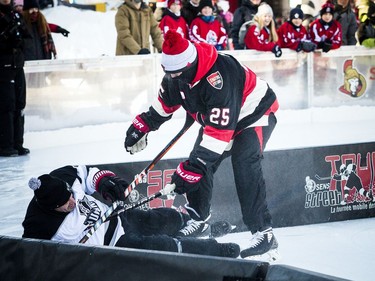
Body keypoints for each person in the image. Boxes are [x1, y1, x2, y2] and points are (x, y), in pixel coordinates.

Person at [124, 29, 280, 260]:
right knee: (199, 162)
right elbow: (165, 104)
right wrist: (143, 125)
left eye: (177, 74)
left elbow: (219, 133)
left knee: (242, 163)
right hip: (220, 120)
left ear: (189, 65)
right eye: (169, 73)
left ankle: (263, 232)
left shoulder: (219, 76)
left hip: (254, 113)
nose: (173, 78)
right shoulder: (175, 75)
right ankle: (199, 218)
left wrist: (195, 166)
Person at [22, 165, 240, 258]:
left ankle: (201, 227)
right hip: (113, 246)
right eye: (66, 204)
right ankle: (216, 251)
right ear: (52, 208)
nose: (72, 202)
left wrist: (106, 182)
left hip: (117, 217)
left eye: (71, 195)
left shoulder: (63, 177)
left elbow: (89, 174)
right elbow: (35, 261)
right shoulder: (39, 226)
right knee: (163, 246)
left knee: (167, 218)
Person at [0, 0, 30, 157]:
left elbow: (26, 37)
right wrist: (6, 35)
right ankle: (6, 144)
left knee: (20, 104)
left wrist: (18, 35)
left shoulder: (14, 14)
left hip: (17, 64)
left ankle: (18, 143)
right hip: (4, 67)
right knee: (7, 105)